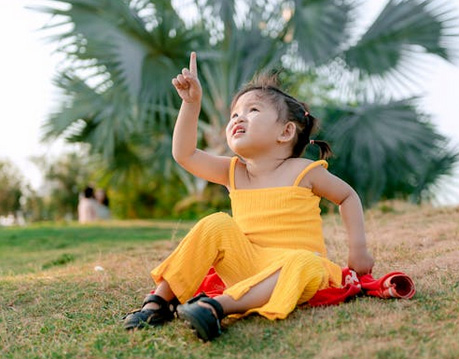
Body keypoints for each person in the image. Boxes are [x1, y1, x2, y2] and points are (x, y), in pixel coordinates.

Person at [123, 52, 375, 340]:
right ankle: (160, 302)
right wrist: (191, 105)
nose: (239, 117)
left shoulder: (304, 171)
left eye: (253, 110)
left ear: (286, 131)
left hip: (294, 271)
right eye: (234, 114)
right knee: (216, 223)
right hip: (246, 267)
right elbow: (185, 154)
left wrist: (358, 250)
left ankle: (217, 307)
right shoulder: (234, 171)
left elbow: (347, 196)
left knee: (306, 260)